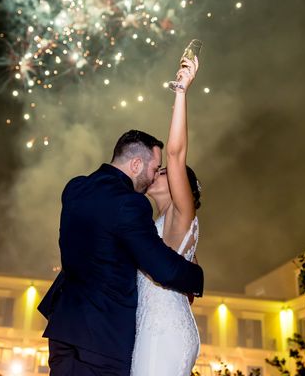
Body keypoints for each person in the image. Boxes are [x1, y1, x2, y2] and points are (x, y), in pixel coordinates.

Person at [38, 129, 204, 376]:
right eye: (154, 168)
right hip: (103, 336)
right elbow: (162, 267)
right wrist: (197, 277)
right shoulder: (130, 204)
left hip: (64, 330)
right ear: (136, 164)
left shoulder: (75, 188)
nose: (153, 176)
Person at [131, 51, 202, 376]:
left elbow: (175, 153)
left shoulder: (180, 213)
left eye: (163, 172)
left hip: (163, 331)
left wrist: (181, 90)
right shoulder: (154, 223)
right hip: (154, 327)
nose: (156, 172)